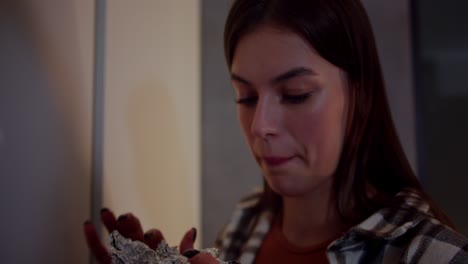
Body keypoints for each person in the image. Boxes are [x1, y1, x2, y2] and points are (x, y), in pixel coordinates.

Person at [84, 0, 468, 263]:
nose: (260, 126)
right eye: (246, 96)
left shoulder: (431, 254)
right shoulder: (245, 222)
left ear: (359, 92)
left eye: (295, 95)